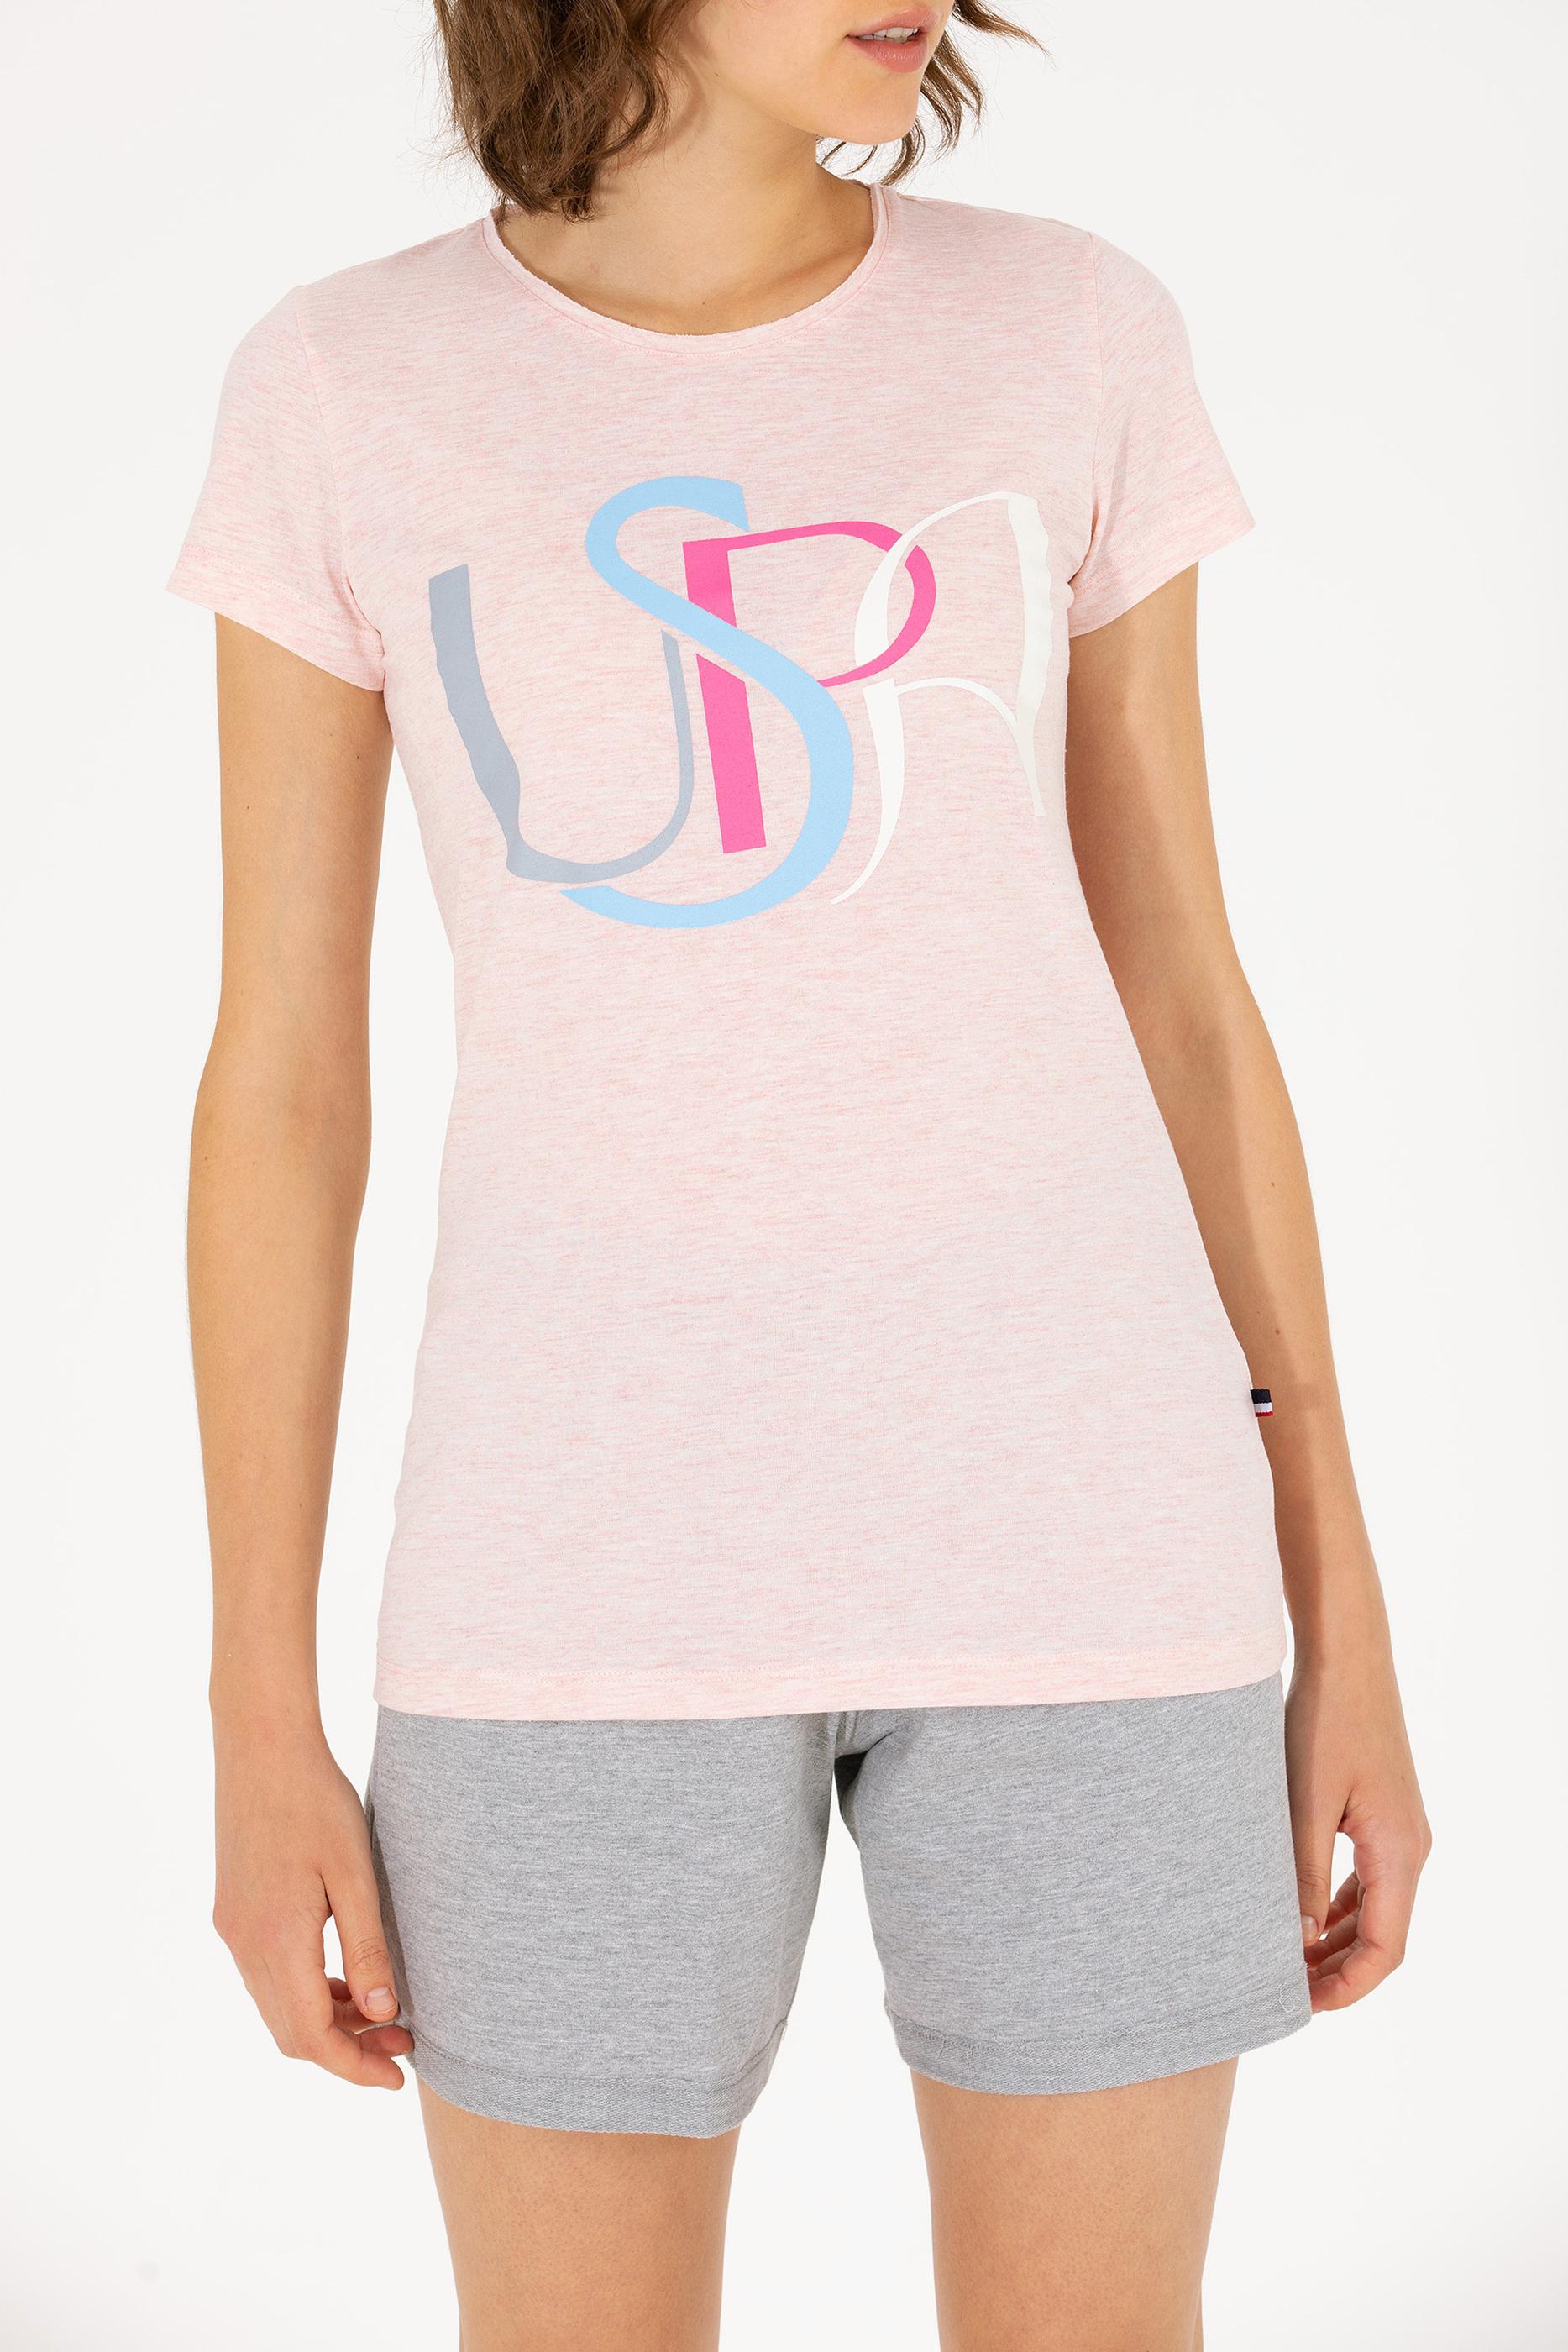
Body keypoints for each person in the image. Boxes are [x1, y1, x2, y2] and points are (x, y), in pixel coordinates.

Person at [172, 4, 1431, 2345]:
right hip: (565, 1585)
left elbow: (1184, 994)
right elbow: (283, 1086)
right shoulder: (343, 384)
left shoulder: (1069, 327)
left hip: (1095, 1560)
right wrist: (259, 1711)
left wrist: (1339, 1610)